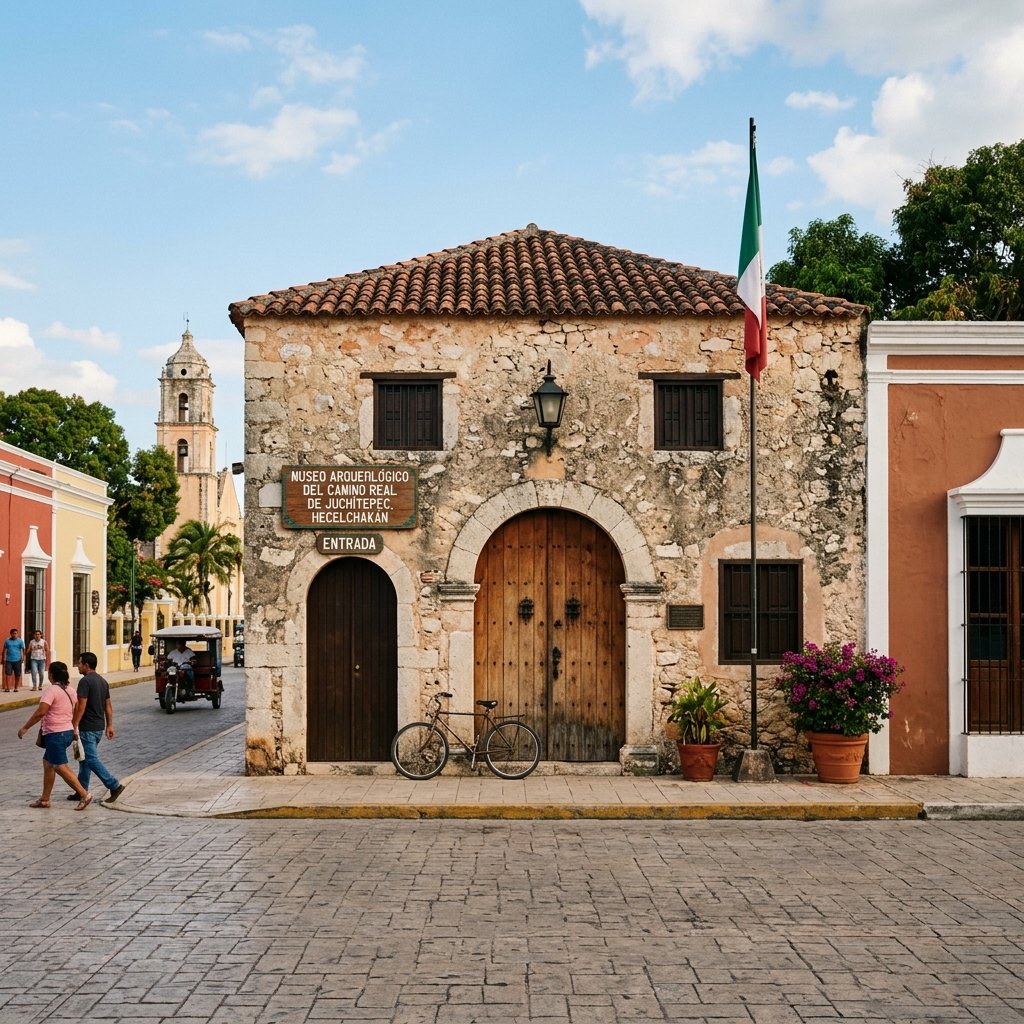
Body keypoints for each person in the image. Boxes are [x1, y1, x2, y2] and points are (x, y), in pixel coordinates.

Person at [16, 661, 92, 809]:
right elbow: (75, 710)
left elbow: (41, 712)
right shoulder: (70, 690)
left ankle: (84, 794)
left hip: (55, 733)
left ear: (51, 675)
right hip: (66, 732)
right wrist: (73, 727)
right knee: (48, 763)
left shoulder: (51, 691)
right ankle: (45, 799)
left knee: (59, 766)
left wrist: (25, 727)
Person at [72, 651, 125, 804]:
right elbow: (108, 705)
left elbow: (81, 706)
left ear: (86, 665)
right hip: (98, 727)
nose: (78, 666)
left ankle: (114, 785)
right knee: (84, 760)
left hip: (87, 727)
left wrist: (73, 726)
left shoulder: (85, 682)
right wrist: (109, 725)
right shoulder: (102, 681)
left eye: (80, 663)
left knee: (90, 759)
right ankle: (81, 790)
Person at [3, 627, 26, 692]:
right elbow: (4, 650)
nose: (14, 635)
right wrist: (4, 658)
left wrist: (23, 657)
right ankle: (8, 688)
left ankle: (16, 687)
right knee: (8, 674)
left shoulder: (20, 641)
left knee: (17, 674)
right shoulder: (7, 641)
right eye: (13, 633)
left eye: (16, 633)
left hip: (17, 660)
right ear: (11, 634)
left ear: (17, 634)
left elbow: (23, 650)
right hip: (8, 660)